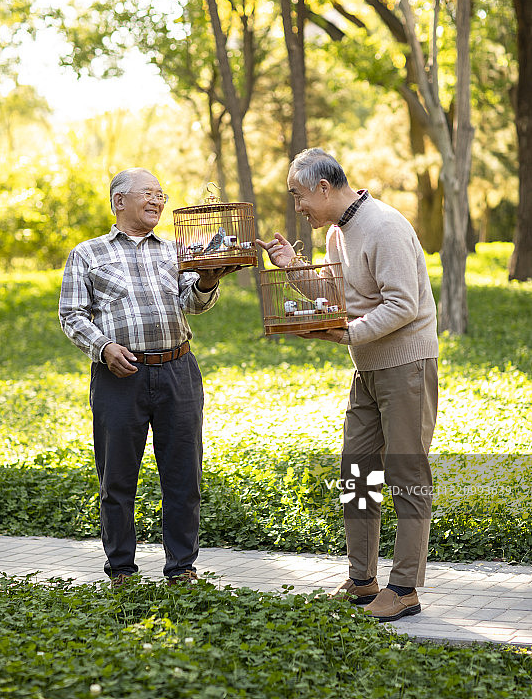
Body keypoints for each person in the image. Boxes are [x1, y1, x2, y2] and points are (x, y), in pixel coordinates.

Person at [257, 148, 438, 622]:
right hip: (368, 369)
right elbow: (338, 299)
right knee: (357, 470)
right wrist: (294, 268)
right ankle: (363, 579)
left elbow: (405, 304)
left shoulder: (384, 226)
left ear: (323, 187)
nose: (298, 207)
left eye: (299, 196)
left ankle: (404, 588)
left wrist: (350, 333)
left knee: (406, 476)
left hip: (406, 365)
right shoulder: (339, 233)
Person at [59, 168, 239, 586]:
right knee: (117, 479)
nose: (158, 200)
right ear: (119, 201)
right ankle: (121, 569)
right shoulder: (88, 254)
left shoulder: (176, 250)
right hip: (119, 377)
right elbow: (71, 315)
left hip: (179, 371)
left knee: (184, 476)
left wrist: (208, 281)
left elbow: (193, 303)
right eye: (148, 193)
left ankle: (182, 569)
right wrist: (103, 348)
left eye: (161, 193)